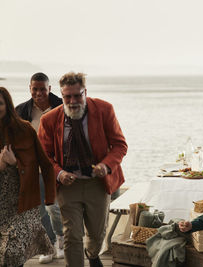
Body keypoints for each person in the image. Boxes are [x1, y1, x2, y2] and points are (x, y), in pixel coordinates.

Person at [38, 72, 128, 267]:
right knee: (72, 236)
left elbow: (120, 145)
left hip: (98, 183)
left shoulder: (105, 109)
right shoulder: (49, 119)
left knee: (97, 233)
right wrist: (60, 173)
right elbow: (44, 156)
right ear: (61, 96)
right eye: (67, 97)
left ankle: (93, 254)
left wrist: (106, 165)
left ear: (85, 92)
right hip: (67, 186)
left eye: (77, 95)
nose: (72, 101)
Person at [0, 86, 56, 267]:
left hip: (23, 205)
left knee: (13, 254)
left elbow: (46, 165)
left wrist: (49, 198)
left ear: (8, 105)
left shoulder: (26, 130)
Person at [15, 72, 64, 264]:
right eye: (34, 89)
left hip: (54, 167)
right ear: (30, 88)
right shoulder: (22, 111)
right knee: (40, 210)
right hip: (32, 169)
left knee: (54, 208)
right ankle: (48, 245)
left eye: (42, 89)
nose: (38, 93)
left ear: (49, 89)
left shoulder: (61, 106)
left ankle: (61, 239)